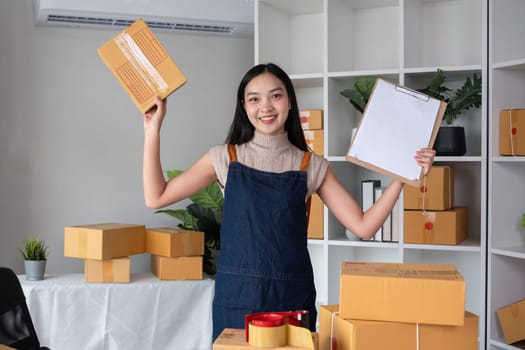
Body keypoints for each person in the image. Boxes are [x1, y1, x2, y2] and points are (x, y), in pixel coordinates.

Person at [142, 63, 436, 340]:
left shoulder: (311, 165)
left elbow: (364, 227)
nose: (266, 107)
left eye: (276, 96)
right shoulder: (223, 158)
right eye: (254, 99)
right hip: (236, 298)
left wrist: (402, 175)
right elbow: (156, 197)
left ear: (290, 102)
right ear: (244, 108)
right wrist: (152, 130)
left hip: (291, 297)